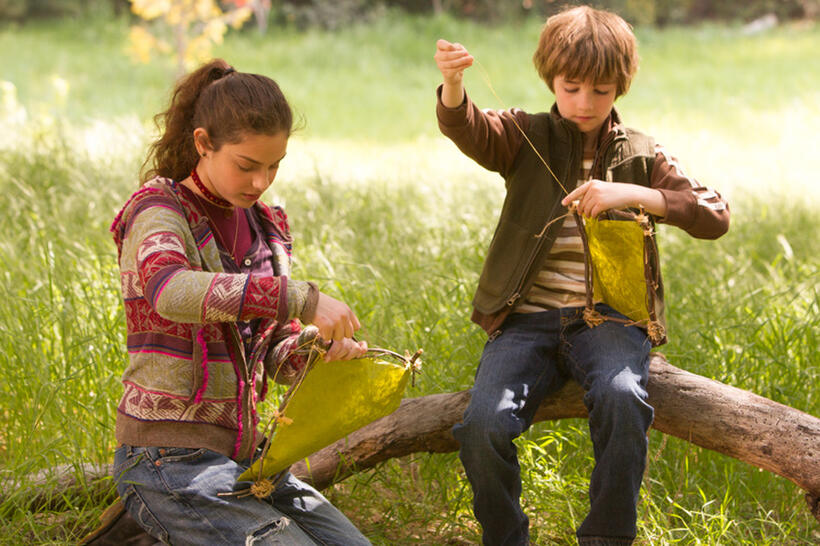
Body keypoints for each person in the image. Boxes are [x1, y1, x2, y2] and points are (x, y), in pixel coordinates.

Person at [434, 6, 729, 545]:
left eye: (601, 90)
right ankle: (505, 536)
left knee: (622, 397)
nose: (585, 103)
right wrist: (453, 85)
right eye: (571, 88)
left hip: (609, 321)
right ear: (551, 79)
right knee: (482, 426)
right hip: (525, 322)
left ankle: (606, 537)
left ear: (621, 86)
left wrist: (633, 194)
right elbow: (469, 128)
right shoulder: (525, 134)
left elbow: (714, 214)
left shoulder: (641, 152)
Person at [109, 59, 371, 545]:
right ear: (203, 143)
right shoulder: (158, 210)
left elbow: (272, 351)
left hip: (249, 460)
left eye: (274, 166)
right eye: (246, 165)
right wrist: (300, 298)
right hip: (168, 460)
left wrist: (318, 354)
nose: (260, 182)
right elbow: (170, 291)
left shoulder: (266, 227)